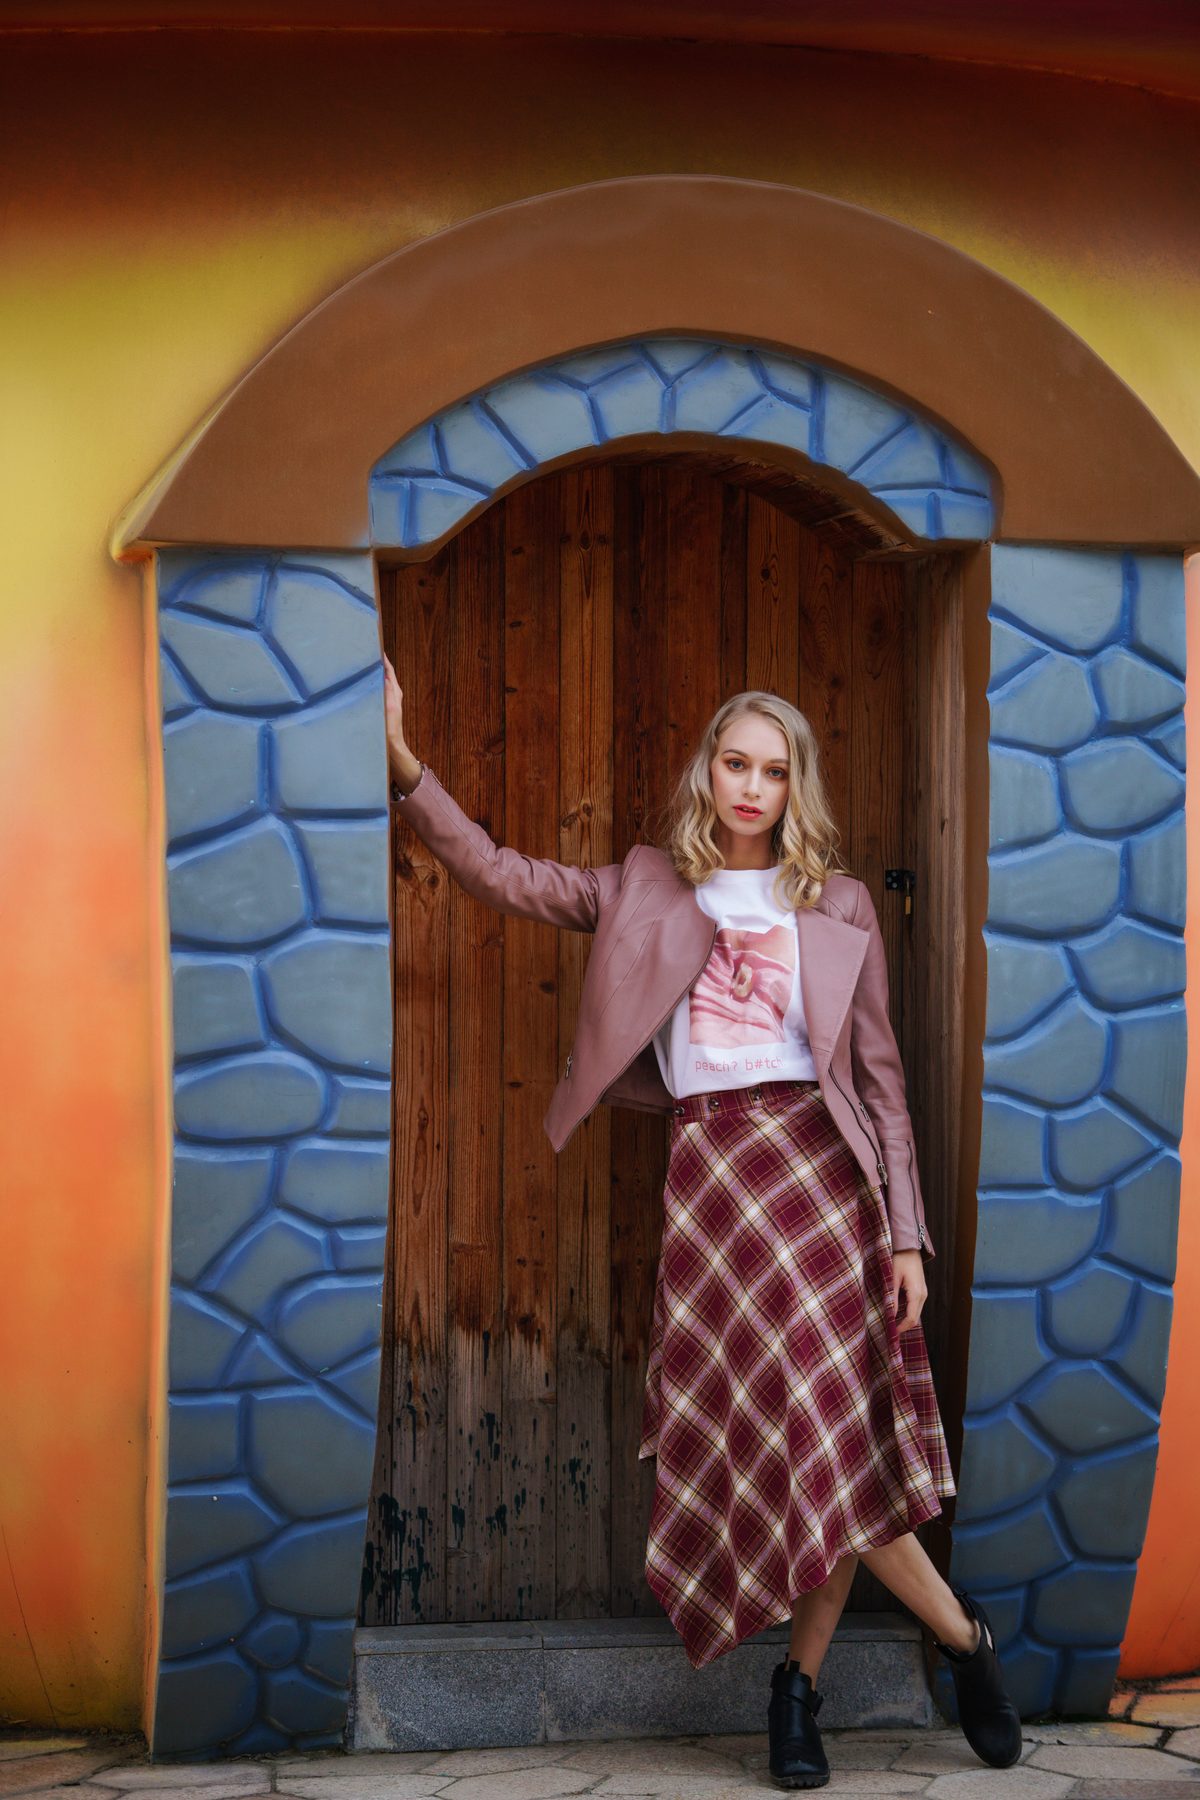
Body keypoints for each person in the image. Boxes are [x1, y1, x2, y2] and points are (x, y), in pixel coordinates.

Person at [383, 657, 1021, 1788]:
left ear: (794, 787)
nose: (753, 788)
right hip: (716, 1176)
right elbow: (499, 873)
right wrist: (402, 766)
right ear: (708, 772)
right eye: (737, 764)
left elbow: (881, 1084)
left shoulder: (838, 904)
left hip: (822, 1176)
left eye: (774, 772)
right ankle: (957, 1640)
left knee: (831, 1436)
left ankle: (801, 1694)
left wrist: (904, 1234)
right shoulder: (645, 886)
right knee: (817, 1437)